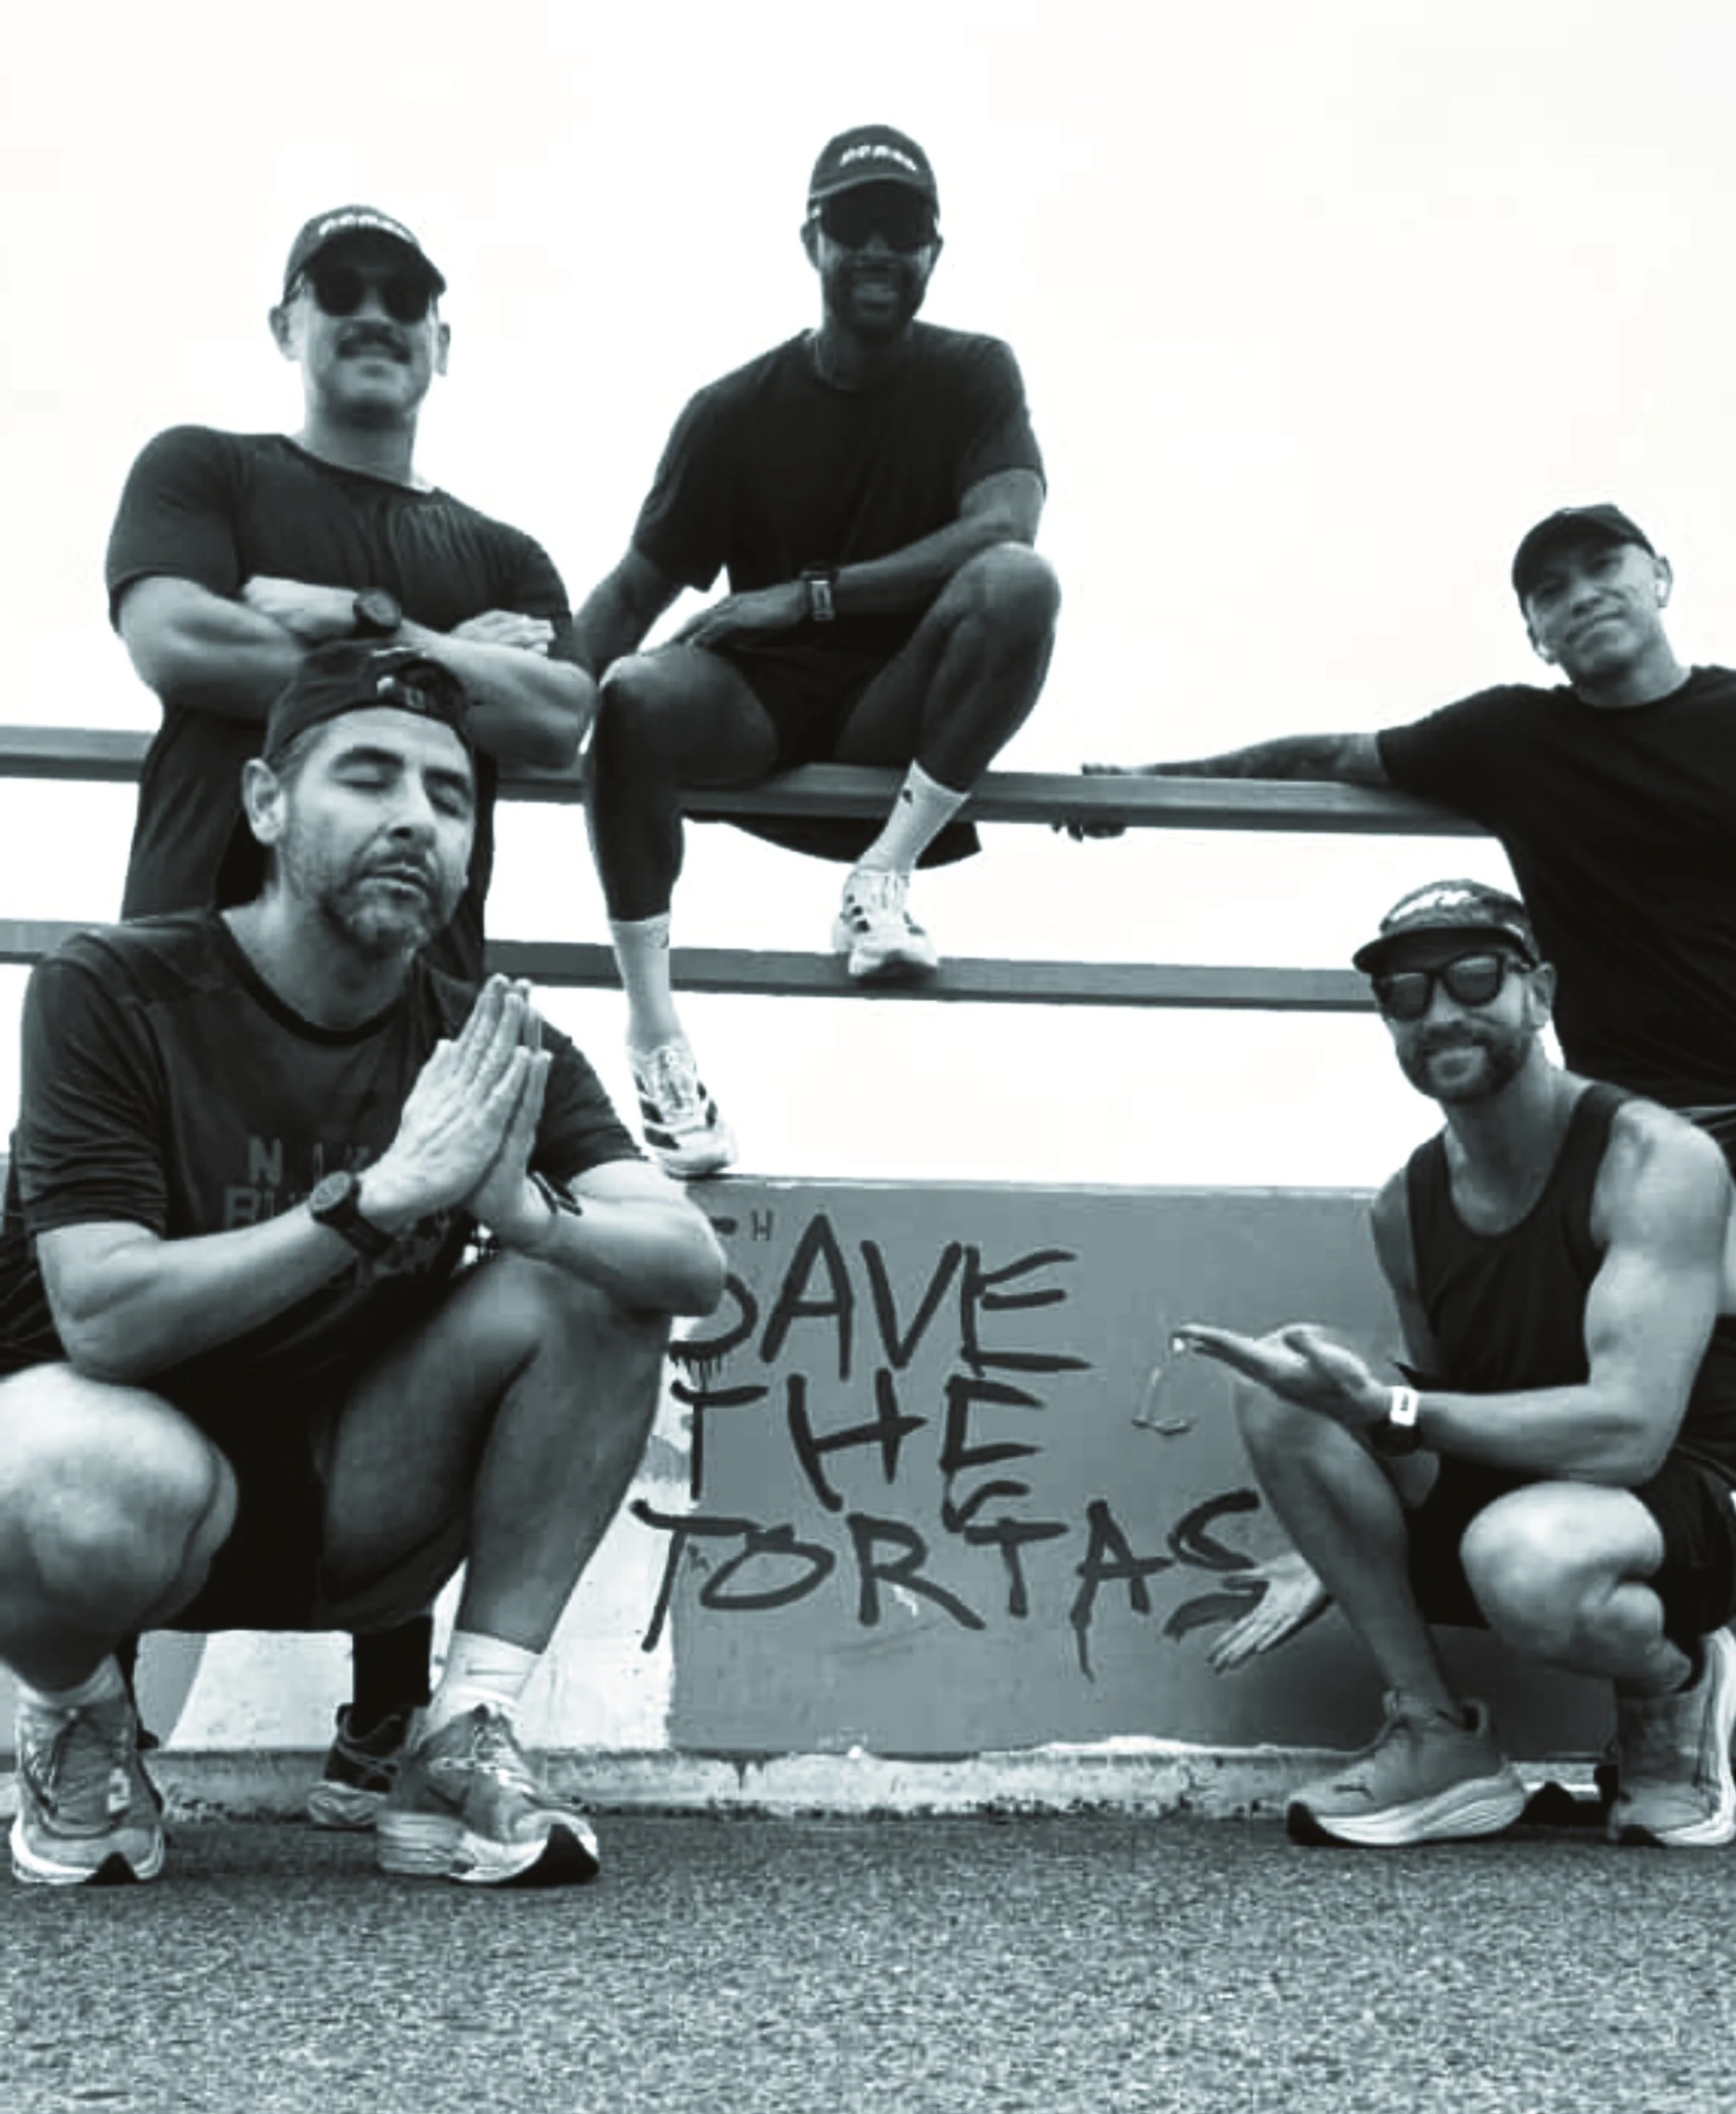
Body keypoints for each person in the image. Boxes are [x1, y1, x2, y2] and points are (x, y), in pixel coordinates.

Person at [1090, 503, 1736, 1845]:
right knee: (1581, 1387)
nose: (1580, 599)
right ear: (1531, 626)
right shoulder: (1515, 738)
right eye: (1548, 590)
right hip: (1638, 1109)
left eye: (1602, 571)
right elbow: (1335, 752)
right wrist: (1152, 783)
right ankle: (1531, 1730)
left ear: (1661, 577)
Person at [0, 644, 725, 1888]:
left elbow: (690, 1258)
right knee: (62, 1470)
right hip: (117, 1486)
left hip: (357, 1495)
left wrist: (533, 1218)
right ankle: (81, 1717)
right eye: (369, 778)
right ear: (267, 804)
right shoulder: (114, 988)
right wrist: (374, 1202)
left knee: (608, 1281)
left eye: (450, 799)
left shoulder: (489, 1036)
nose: (415, 820)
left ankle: (460, 1732)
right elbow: (104, 1315)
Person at [103, 202, 598, 1825]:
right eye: (343, 290)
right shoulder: (205, 466)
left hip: (409, 993)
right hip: (198, 967)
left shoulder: (501, 550)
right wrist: (445, 662)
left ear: (442, 339)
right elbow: (175, 632)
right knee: (159, 1288)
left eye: (408, 296)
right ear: (290, 322)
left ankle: (396, 1715)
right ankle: (91, 1713)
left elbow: (555, 712)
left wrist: (355, 626)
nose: (374, 314)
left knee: (408, 1270)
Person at [1178, 879, 1736, 1848]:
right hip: (1527, 1494)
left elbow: (1628, 1432)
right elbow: (1454, 1415)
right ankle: (1438, 1735)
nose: (1441, 1011)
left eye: (1475, 977)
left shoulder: (1653, 1159)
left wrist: (1396, 1416)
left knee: (1521, 1552)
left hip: (1698, 1493)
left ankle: (1671, 1678)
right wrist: (1336, 1538)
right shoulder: (1405, 1208)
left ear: (1540, 993)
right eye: (1406, 993)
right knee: (1285, 1385)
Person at [575, 124, 1062, 1179]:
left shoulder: (976, 374)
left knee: (1021, 587)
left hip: (900, 715)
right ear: (812, 243)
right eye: (853, 225)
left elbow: (1002, 533)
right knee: (631, 696)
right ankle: (656, 1036)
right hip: (759, 714)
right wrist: (508, 705)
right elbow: (631, 592)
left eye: (902, 227)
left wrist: (810, 598)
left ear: (936, 249)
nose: (878, 249)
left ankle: (879, 880)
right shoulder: (732, 412)